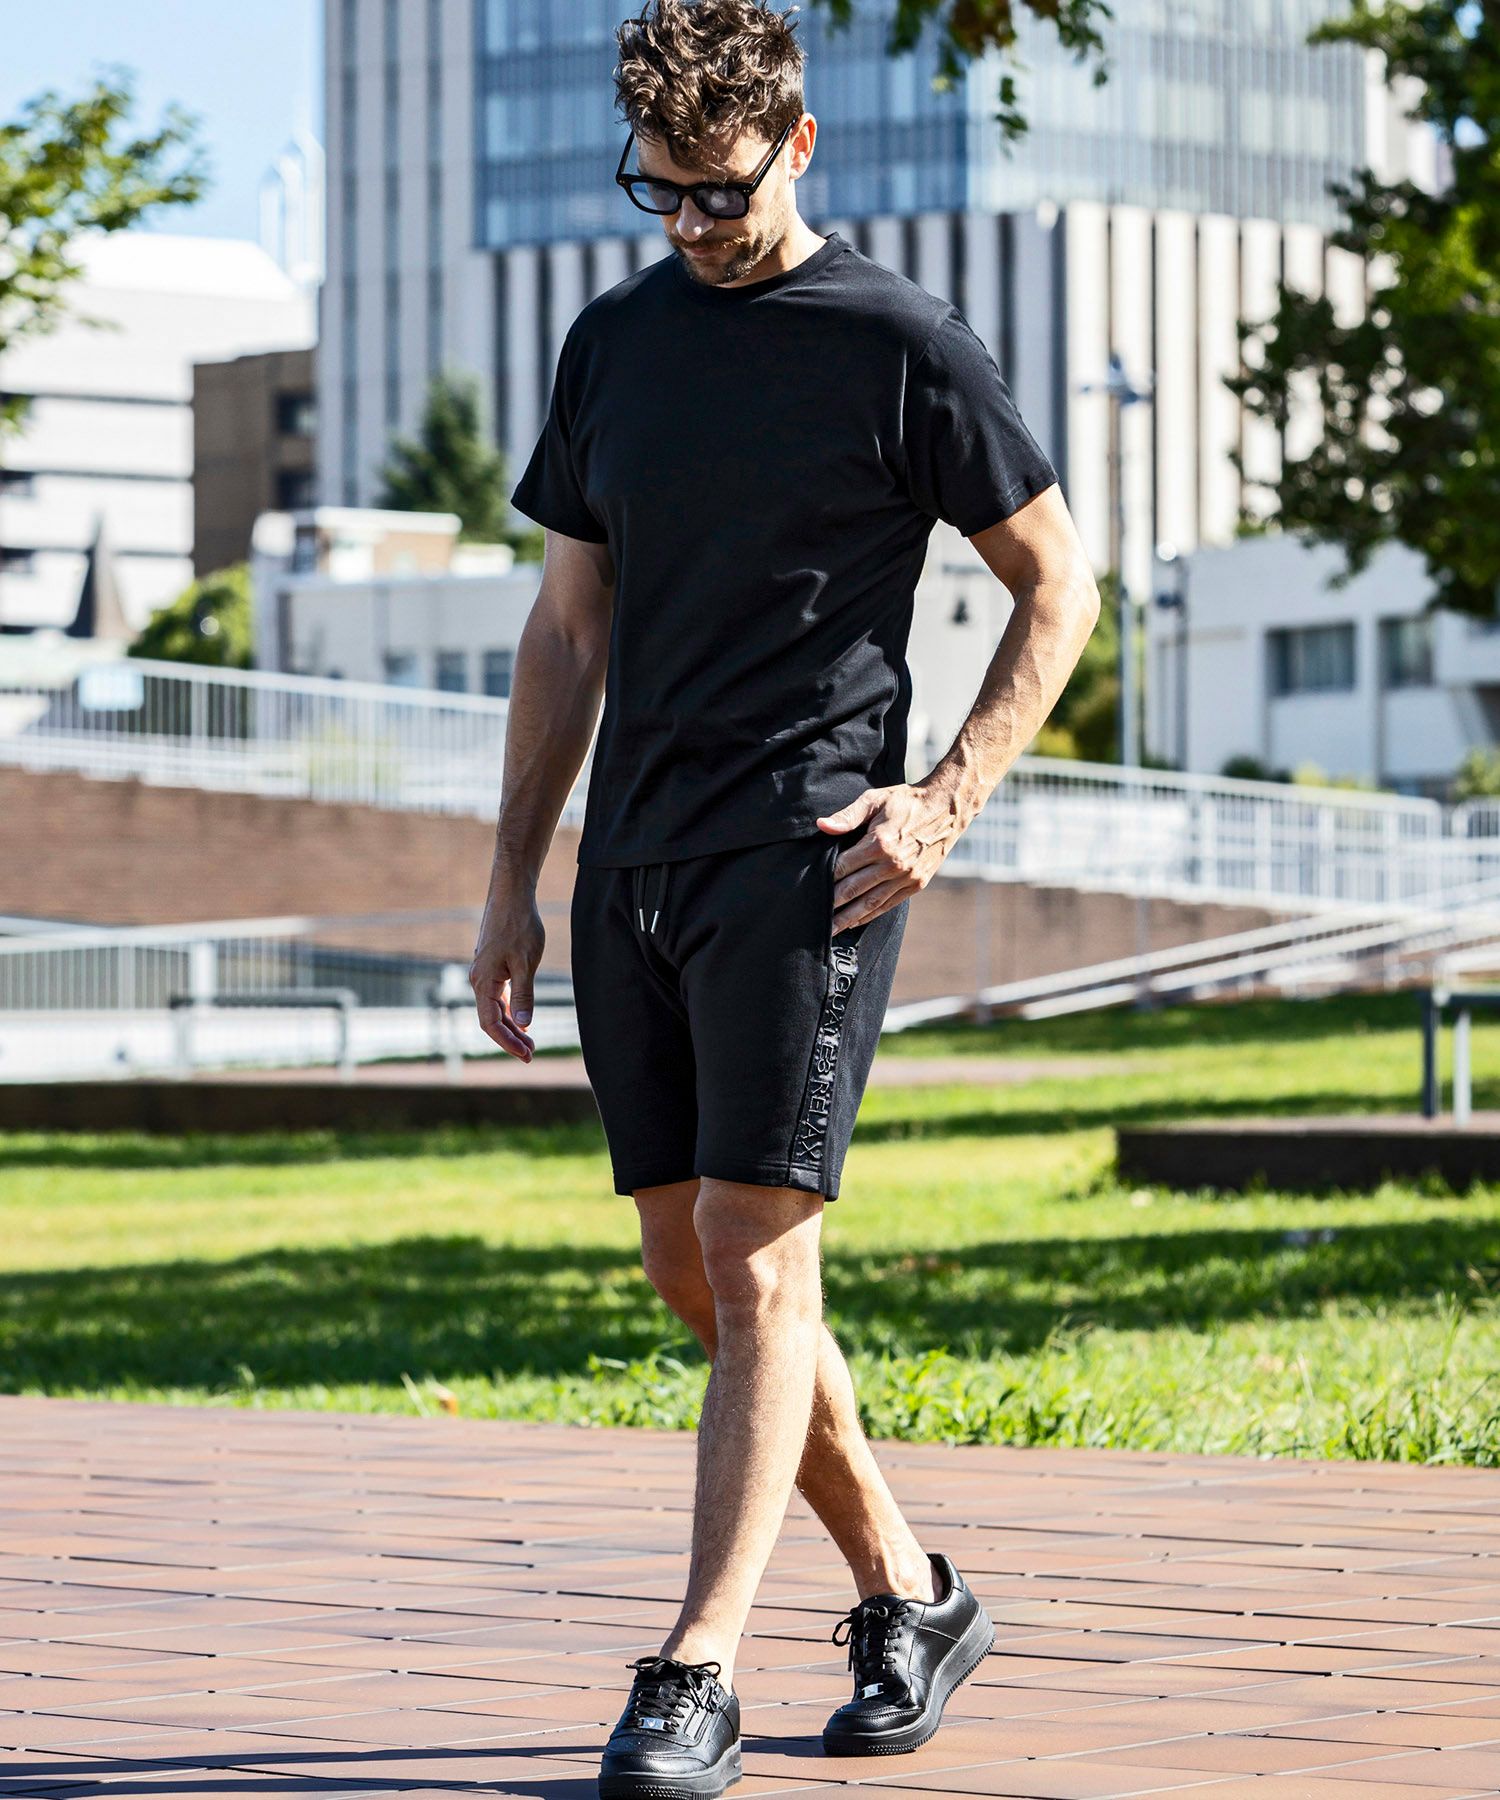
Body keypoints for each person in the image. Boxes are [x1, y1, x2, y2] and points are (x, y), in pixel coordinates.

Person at [470, 3, 1099, 1794]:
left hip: (810, 862)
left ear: (798, 146)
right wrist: (511, 878)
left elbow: (1060, 585)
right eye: (658, 191)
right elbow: (568, 627)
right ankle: (911, 1587)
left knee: (757, 1260)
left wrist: (947, 800)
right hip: (636, 864)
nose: (690, 223)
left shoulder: (901, 343)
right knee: (690, 1268)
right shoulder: (613, 343)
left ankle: (696, 1670)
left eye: (720, 192)